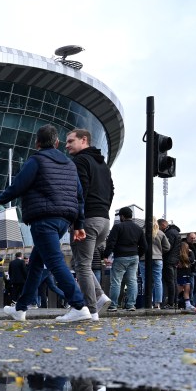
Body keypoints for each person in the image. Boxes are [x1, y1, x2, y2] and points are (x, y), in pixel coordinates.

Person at [0, 124, 91, 323]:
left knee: (55, 262)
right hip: (64, 221)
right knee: (36, 263)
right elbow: (79, 197)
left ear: (37, 143)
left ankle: (79, 305)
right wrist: (79, 224)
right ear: (57, 143)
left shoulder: (36, 160)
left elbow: (18, 186)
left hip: (44, 220)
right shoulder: (70, 165)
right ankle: (20, 309)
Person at [65, 128, 114, 318]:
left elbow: (80, 192)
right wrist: (103, 209)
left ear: (83, 140)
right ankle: (100, 296)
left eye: (70, 141)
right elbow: (111, 191)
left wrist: (78, 221)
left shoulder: (80, 161)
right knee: (81, 262)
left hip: (88, 219)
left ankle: (89, 310)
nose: (67, 145)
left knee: (82, 266)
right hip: (104, 220)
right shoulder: (103, 165)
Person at [103, 207, 147, 312]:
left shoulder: (118, 227)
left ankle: (114, 305)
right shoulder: (138, 228)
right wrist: (137, 255)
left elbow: (111, 243)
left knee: (116, 282)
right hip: (134, 257)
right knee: (132, 281)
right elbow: (144, 246)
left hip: (120, 257)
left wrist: (105, 255)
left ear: (122, 216)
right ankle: (131, 305)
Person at [159, 218, 182, 310]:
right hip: (174, 260)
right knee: (173, 281)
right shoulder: (176, 232)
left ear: (163, 225)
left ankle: (170, 303)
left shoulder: (169, 233)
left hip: (168, 260)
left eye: (159, 227)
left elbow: (167, 247)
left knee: (170, 282)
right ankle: (174, 302)